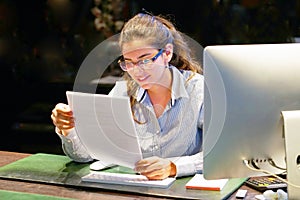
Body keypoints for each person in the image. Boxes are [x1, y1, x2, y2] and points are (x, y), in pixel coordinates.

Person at [51, 12, 204, 180]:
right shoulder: (122, 92)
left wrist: (173, 167)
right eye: (128, 62)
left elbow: (222, 155)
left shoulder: (199, 90)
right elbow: (84, 156)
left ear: (167, 53)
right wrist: (67, 129)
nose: (136, 71)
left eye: (145, 60)